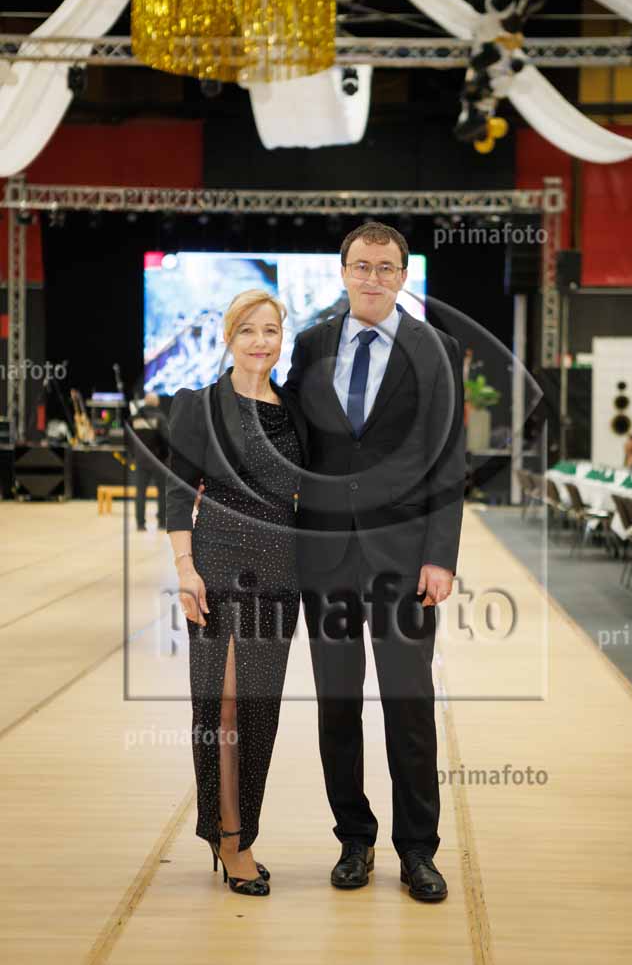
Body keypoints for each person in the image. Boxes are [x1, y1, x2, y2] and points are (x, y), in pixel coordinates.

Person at [284, 221, 466, 903]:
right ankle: (353, 840)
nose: (372, 277)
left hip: (404, 558)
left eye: (385, 267)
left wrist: (440, 556)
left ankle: (417, 850)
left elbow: (448, 457)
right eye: (361, 265)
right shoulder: (311, 345)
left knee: (408, 708)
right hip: (325, 554)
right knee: (337, 706)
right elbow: (291, 437)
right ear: (342, 272)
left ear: (402, 276)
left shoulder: (436, 348)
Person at [166, 289, 308, 897]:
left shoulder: (297, 410)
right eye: (247, 330)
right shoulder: (198, 406)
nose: (259, 341)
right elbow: (178, 494)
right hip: (219, 561)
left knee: (258, 710)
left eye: (270, 330)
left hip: (280, 570)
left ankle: (242, 825)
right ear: (228, 337)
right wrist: (185, 568)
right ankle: (231, 841)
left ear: (282, 340)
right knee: (222, 707)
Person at [129, 391, 169, 530]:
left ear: (145, 402)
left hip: (141, 461)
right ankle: (162, 522)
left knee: (140, 493)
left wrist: (134, 456)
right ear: (157, 403)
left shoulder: (135, 418)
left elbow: (129, 441)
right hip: (159, 462)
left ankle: (140, 523)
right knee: (162, 492)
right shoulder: (160, 418)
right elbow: (166, 440)